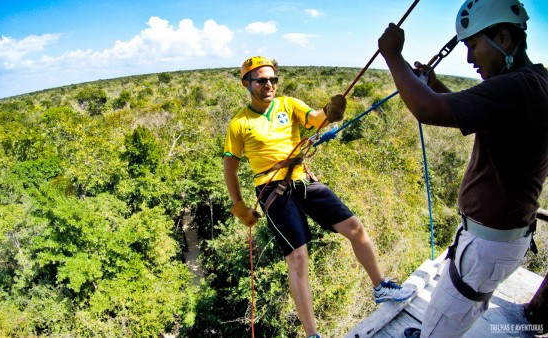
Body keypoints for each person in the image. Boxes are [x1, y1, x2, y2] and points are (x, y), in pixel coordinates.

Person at [377, 0, 548, 337]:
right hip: (502, 235)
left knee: (443, 321)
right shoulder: (533, 81)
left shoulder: (516, 87)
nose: (469, 58)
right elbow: (476, 113)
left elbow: (428, 110)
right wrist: (435, 84)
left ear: (503, 37)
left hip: (488, 243)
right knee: (464, 307)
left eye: (472, 45)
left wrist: (392, 55)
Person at [223, 56, 416, 338]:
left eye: (272, 79)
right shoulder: (240, 123)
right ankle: (313, 335)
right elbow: (231, 166)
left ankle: (381, 286)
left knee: (355, 228)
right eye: (261, 80)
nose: (268, 84)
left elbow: (313, 119)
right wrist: (238, 204)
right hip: (271, 188)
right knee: (298, 258)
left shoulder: (288, 105)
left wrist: (329, 111)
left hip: (302, 179)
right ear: (246, 83)